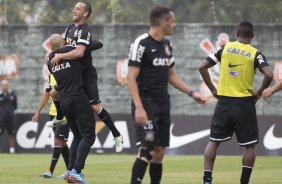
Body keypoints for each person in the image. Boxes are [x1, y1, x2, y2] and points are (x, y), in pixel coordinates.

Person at [127, 6, 207, 184]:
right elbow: (130, 77)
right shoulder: (141, 43)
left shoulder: (166, 45)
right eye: (172, 21)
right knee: (147, 150)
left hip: (163, 103)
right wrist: (139, 107)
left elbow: (171, 75)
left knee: (159, 151)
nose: (174, 25)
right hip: (146, 104)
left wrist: (192, 93)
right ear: (163, 22)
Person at [199, 21, 273, 184]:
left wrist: (213, 89)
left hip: (223, 103)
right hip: (245, 104)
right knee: (249, 146)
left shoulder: (224, 48)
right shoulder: (255, 53)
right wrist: (259, 92)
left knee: (214, 142)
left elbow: (202, 66)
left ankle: (207, 180)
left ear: (236, 34)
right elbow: (269, 74)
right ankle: (244, 182)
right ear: (252, 36)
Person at [49, 0, 123, 152]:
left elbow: (79, 52)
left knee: (94, 106)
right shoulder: (69, 28)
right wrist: (51, 54)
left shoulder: (85, 30)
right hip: (73, 74)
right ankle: (60, 117)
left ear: (86, 13)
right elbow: (60, 46)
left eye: (78, 9)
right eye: (74, 8)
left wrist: (60, 57)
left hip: (86, 73)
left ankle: (116, 134)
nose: (74, 11)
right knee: (53, 92)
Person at [48, 33, 96, 184]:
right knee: (88, 135)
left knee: (77, 136)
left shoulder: (50, 62)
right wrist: (78, 45)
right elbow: (96, 45)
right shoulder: (72, 51)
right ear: (62, 42)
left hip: (64, 101)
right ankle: (76, 171)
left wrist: (59, 55)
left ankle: (69, 172)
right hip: (78, 98)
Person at [32, 74, 70, 179]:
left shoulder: (65, 72)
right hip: (53, 114)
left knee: (57, 141)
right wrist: (38, 112)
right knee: (62, 143)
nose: (48, 59)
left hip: (64, 114)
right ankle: (70, 171)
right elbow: (46, 94)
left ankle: (50, 171)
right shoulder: (51, 75)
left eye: (49, 56)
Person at [0, 80, 17, 154]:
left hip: (10, 117)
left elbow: (15, 106)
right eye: (3, 85)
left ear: (8, 85)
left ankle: (12, 150)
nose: (5, 86)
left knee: (11, 133)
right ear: (1, 86)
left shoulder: (12, 94)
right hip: (1, 118)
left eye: (6, 85)